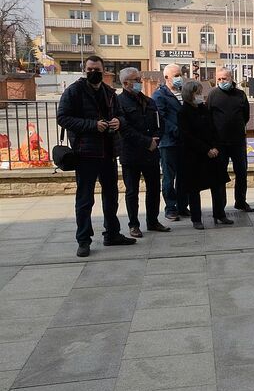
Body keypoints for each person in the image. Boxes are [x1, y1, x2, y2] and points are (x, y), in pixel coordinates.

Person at [57, 55, 136, 257]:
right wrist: (92, 125)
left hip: (108, 152)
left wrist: (118, 121)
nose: (93, 72)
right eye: (89, 69)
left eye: (97, 69)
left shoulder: (109, 92)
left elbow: (122, 116)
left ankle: (112, 233)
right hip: (85, 153)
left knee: (111, 196)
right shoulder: (74, 91)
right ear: (85, 70)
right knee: (85, 199)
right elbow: (63, 117)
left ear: (104, 70)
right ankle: (83, 240)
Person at [116, 67, 170, 238]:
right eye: (136, 80)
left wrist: (156, 141)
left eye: (139, 79)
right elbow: (124, 129)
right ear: (125, 83)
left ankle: (153, 221)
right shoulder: (119, 103)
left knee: (154, 189)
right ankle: (134, 224)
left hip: (151, 153)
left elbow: (159, 124)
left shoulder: (148, 101)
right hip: (131, 154)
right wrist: (147, 142)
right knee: (132, 191)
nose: (139, 82)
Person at [177, 80, 232, 229]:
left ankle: (220, 214)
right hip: (195, 156)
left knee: (217, 186)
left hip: (212, 154)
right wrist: (206, 149)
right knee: (194, 189)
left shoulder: (203, 108)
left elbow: (213, 129)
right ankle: (196, 219)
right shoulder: (183, 112)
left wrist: (215, 147)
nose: (201, 96)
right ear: (190, 95)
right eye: (198, 93)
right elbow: (187, 136)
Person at [207, 68, 254, 213]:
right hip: (219, 143)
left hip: (238, 141)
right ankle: (220, 206)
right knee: (220, 175)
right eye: (219, 79)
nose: (222, 81)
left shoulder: (240, 95)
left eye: (224, 79)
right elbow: (208, 117)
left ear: (231, 78)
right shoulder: (212, 95)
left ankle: (240, 201)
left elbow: (246, 116)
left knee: (241, 173)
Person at [153, 64, 189, 221]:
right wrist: (177, 130)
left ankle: (183, 206)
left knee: (185, 176)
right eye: (176, 75)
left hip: (185, 143)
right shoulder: (159, 95)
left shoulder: (185, 93)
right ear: (166, 77)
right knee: (169, 177)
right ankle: (171, 208)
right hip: (169, 143)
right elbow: (161, 119)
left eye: (180, 74)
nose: (179, 77)